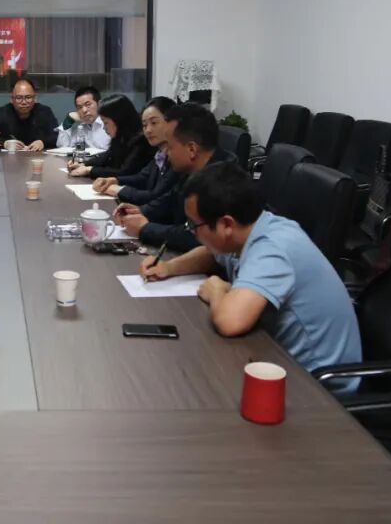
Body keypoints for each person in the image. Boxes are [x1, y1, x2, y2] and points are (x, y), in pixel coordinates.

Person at [139, 162, 361, 381]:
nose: (193, 233)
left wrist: (217, 291)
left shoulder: (273, 248)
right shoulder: (249, 230)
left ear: (226, 224)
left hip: (316, 385)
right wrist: (168, 267)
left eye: (194, 226)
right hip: (275, 358)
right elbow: (211, 254)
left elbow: (229, 321)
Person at [113, 103, 234, 252]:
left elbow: (197, 237)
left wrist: (145, 229)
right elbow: (171, 200)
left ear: (191, 149)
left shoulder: (223, 182)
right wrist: (140, 211)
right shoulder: (193, 169)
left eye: (169, 147)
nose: (166, 153)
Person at [93, 97, 177, 205]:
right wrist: (115, 180)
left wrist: (118, 190)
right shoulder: (161, 153)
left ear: (173, 123)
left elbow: (155, 197)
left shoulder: (178, 157)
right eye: (145, 125)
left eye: (154, 123)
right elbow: (142, 177)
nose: (148, 130)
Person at [67, 94, 152, 179]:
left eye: (106, 123)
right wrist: (83, 164)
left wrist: (90, 170)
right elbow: (107, 156)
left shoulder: (142, 140)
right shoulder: (121, 137)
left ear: (119, 120)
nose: (104, 127)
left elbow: (125, 172)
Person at [0, 78, 58, 152]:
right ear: (11, 99)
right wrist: (4, 143)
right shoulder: (0, 113)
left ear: (35, 98)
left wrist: (43, 142)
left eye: (28, 97)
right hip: (9, 157)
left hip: (37, 156)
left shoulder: (45, 112)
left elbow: (57, 135)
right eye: (19, 98)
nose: (24, 102)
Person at [55, 85, 111, 150]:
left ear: (99, 104)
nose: (84, 110)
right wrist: (68, 121)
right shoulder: (81, 128)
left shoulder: (110, 124)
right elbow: (62, 147)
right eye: (80, 107)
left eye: (88, 105)